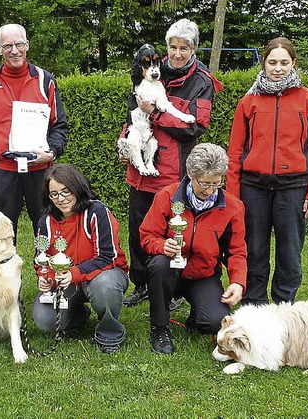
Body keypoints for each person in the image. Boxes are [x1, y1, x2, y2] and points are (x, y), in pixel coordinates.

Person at [118, 19, 223, 307]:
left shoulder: (201, 81)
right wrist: (124, 141)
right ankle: (141, 285)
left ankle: (174, 289)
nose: (177, 53)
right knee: (139, 226)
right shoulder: (152, 68)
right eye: (173, 47)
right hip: (141, 169)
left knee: (174, 229)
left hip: (174, 170)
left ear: (194, 49)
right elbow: (132, 112)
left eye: (184, 48)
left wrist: (155, 113)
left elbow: (195, 126)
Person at [227, 37, 308, 306]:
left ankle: (284, 309)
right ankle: (254, 307)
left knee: (290, 254)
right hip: (254, 188)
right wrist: (234, 197)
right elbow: (235, 153)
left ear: (293, 64)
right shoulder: (248, 102)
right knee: (254, 251)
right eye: (272, 62)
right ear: (264, 63)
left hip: (293, 188)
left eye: (284, 62)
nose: (278, 68)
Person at [0, 23, 68, 242]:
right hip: (5, 171)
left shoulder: (45, 80)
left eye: (19, 44)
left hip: (39, 169)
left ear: (27, 45)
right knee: (1, 230)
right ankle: (2, 274)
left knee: (45, 226)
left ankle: (46, 273)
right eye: (8, 45)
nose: (14, 50)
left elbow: (59, 125)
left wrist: (53, 152)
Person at [139, 143, 246, 354]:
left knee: (215, 322)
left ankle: (198, 316)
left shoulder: (233, 207)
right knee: (159, 265)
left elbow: (237, 250)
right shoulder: (166, 196)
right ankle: (159, 328)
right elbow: (146, 236)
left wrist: (237, 281)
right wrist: (163, 245)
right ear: (190, 175)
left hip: (203, 275)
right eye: (204, 183)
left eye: (216, 183)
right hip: (169, 268)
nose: (210, 190)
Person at [32, 164, 129, 354]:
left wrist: (73, 273)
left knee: (106, 284)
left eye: (66, 191)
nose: (61, 199)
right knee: (44, 320)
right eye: (54, 194)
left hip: (101, 276)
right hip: (67, 282)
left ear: (77, 187)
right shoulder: (45, 222)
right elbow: (40, 258)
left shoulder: (97, 212)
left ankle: (109, 331)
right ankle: (77, 316)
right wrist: (46, 277)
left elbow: (108, 257)